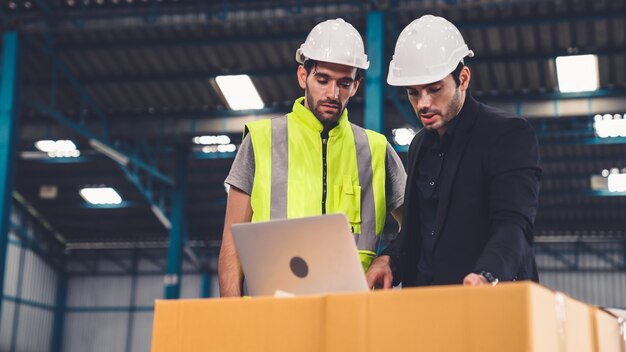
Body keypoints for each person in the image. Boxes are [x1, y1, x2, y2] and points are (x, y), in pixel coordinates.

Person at [218, 18, 406, 297]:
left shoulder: (377, 149)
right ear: (302, 76)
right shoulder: (260, 141)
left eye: (344, 83)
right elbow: (232, 247)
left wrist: (388, 258)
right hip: (274, 315)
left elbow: (417, 227)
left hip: (352, 314)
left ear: (356, 86)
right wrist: (235, 319)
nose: (333, 93)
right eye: (323, 80)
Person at [366, 15, 541, 289]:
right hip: (427, 307)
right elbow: (418, 232)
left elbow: (513, 224)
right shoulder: (419, 145)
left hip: (490, 303)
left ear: (463, 78)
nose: (423, 103)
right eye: (413, 93)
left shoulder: (507, 135)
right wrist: (389, 259)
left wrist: (488, 274)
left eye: (435, 89)